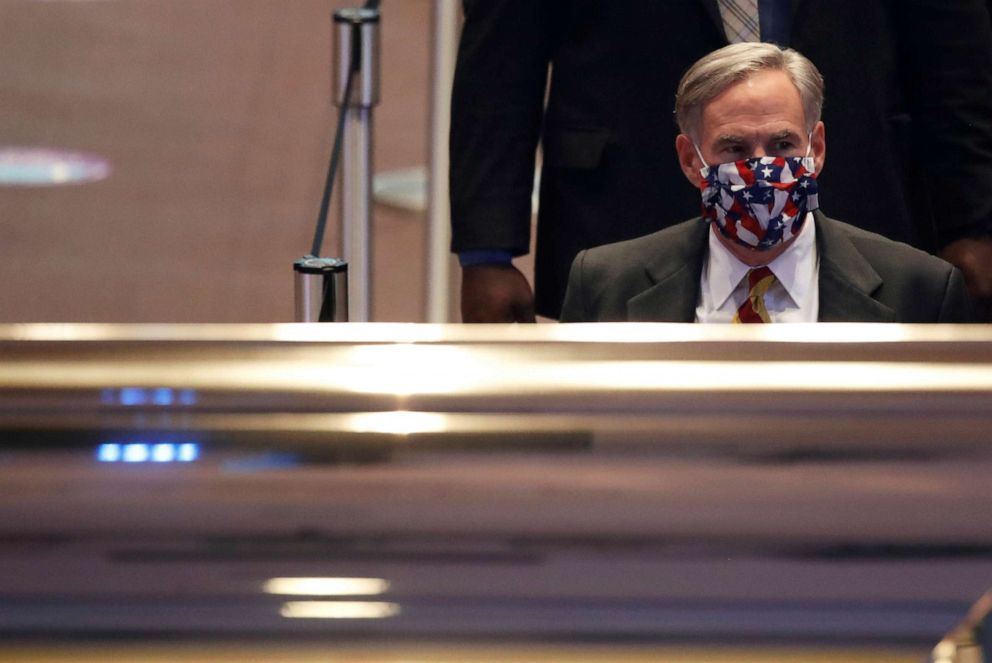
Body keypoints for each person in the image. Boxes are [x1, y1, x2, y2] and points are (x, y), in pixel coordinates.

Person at [450, 1, 992, 322]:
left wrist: (974, 217)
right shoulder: (601, 278)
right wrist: (487, 251)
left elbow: (956, 52)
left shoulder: (921, 283)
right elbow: (500, 56)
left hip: (864, 183)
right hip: (625, 193)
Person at [559, 43, 974, 324]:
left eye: (782, 144)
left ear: (818, 147)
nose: (763, 168)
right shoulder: (603, 286)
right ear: (690, 160)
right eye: (735, 148)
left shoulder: (922, 291)